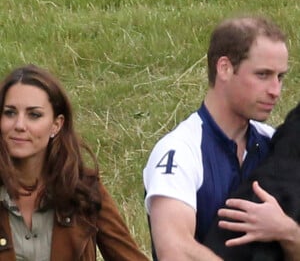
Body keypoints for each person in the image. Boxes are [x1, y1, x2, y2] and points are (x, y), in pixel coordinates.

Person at [143, 16, 300, 260]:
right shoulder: (180, 150)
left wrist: (288, 232)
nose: (275, 91)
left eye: (280, 77)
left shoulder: (276, 145)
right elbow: (174, 249)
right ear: (224, 68)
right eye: (263, 75)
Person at [0, 64, 149, 261]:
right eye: (10, 113)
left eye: (34, 115)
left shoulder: (84, 190)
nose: (19, 125)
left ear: (56, 125)